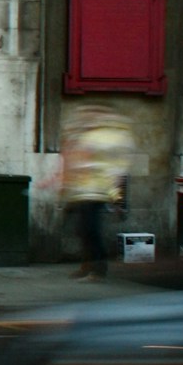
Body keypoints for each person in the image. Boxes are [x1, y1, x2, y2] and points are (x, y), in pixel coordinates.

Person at [59, 103, 136, 279]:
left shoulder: (108, 137)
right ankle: (88, 265)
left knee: (90, 230)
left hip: (95, 191)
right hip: (83, 191)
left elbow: (113, 167)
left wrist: (115, 194)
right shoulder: (92, 135)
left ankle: (98, 269)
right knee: (83, 230)